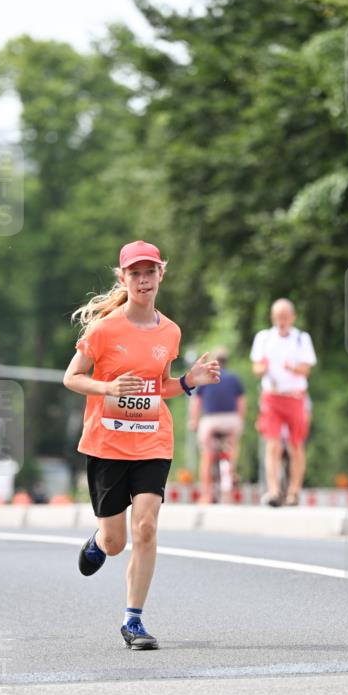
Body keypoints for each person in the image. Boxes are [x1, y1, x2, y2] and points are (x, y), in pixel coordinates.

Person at [63, 240, 220, 651]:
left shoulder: (170, 331)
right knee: (116, 541)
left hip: (153, 439)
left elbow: (160, 385)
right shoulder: (104, 329)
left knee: (146, 527)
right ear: (123, 279)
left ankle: (133, 621)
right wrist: (107, 387)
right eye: (135, 273)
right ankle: (98, 542)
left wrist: (189, 381)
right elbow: (72, 377)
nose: (143, 279)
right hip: (107, 444)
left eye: (150, 272)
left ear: (160, 275)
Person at [250, 298, 316, 506]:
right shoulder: (264, 338)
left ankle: (294, 491)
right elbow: (257, 368)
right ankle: (274, 491)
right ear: (273, 318)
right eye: (278, 317)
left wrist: (292, 368)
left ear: (292, 318)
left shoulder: (301, 339)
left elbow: (307, 369)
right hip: (272, 397)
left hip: (295, 397)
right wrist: (264, 369)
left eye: (285, 317)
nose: (282, 321)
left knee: (296, 445)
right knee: (273, 444)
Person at [188, 347, 246, 503]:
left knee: (207, 455)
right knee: (232, 449)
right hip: (231, 421)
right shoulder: (234, 379)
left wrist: (194, 421)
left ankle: (206, 495)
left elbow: (196, 402)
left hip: (211, 421)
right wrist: (240, 421)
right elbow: (241, 402)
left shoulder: (207, 378)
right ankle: (231, 475)